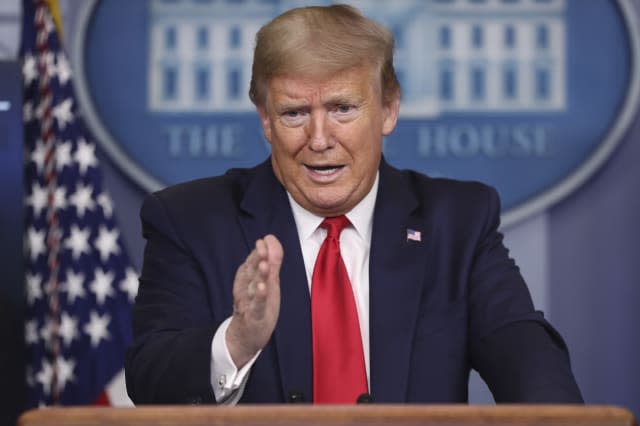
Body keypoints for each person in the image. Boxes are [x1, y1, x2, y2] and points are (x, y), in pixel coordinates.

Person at [125, 4, 582, 405]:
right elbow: (148, 381)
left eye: (343, 108)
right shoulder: (190, 220)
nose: (319, 140)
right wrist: (238, 341)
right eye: (294, 113)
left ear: (388, 109)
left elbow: (525, 354)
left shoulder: (456, 222)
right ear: (265, 119)